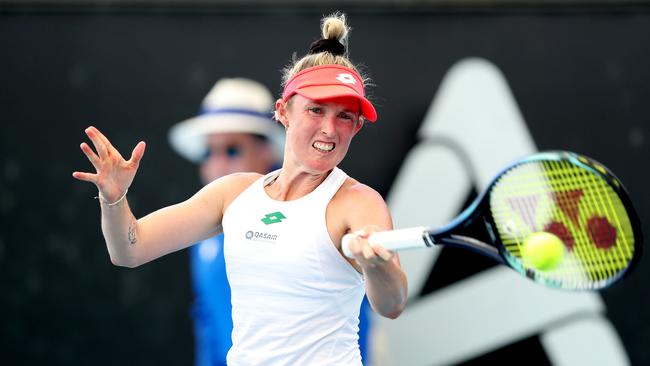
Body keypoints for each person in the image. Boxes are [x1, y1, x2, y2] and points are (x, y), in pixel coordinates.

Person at [73, 12, 407, 365]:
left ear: (356, 127)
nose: (329, 129)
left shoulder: (360, 203)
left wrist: (377, 265)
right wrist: (114, 199)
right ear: (283, 112)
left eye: (344, 116)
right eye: (316, 110)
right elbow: (130, 249)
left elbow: (392, 304)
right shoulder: (233, 194)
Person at [168, 77, 284, 366]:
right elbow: (208, 321)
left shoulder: (304, 213)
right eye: (209, 152)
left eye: (232, 150)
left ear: (266, 151)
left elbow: (348, 319)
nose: (218, 164)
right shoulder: (202, 229)